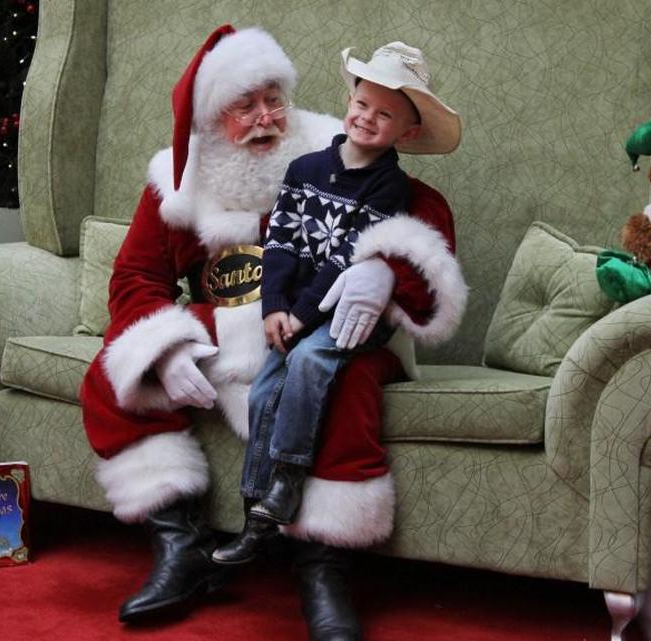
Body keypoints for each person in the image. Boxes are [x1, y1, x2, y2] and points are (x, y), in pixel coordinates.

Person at [78, 25, 466, 641]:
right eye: (244, 106)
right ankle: (181, 546)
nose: (266, 119)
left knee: (345, 379)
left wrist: (383, 269)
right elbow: (135, 279)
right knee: (113, 372)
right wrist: (168, 344)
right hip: (234, 330)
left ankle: (322, 566)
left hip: (335, 327)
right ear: (209, 121)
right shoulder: (178, 184)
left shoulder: (328, 149)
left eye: (274, 99)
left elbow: (426, 217)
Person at [212, 41, 462, 567]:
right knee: (262, 389)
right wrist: (273, 308)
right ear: (348, 100)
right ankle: (255, 508)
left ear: (407, 133)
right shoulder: (304, 169)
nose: (368, 119)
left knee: (308, 359)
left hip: (345, 315)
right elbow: (278, 242)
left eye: (386, 114)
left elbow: (346, 257)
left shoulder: (388, 185)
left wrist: (302, 316)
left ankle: (287, 474)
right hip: (295, 308)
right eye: (362, 105)